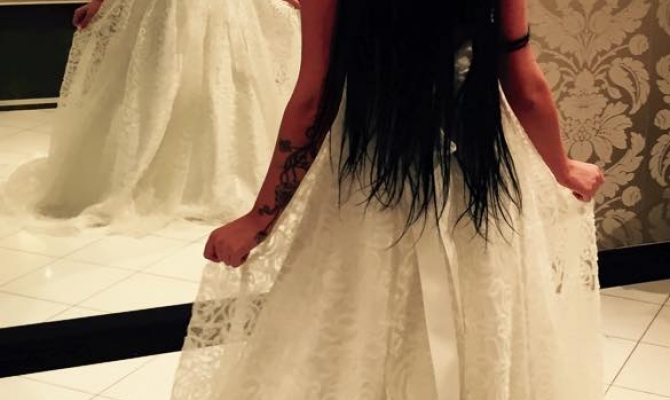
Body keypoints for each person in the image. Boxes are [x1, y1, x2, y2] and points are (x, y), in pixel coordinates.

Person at [171, 0, 605, 398]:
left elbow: (314, 100)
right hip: (476, 181)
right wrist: (562, 168)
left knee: (357, 328)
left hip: (373, 176)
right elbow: (523, 84)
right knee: (482, 320)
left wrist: (259, 219)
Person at [0, 0, 301, 234]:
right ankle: (148, 182)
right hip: (165, 10)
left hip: (222, 10)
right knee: (156, 85)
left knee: (219, 84)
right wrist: (101, 3)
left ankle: (210, 179)